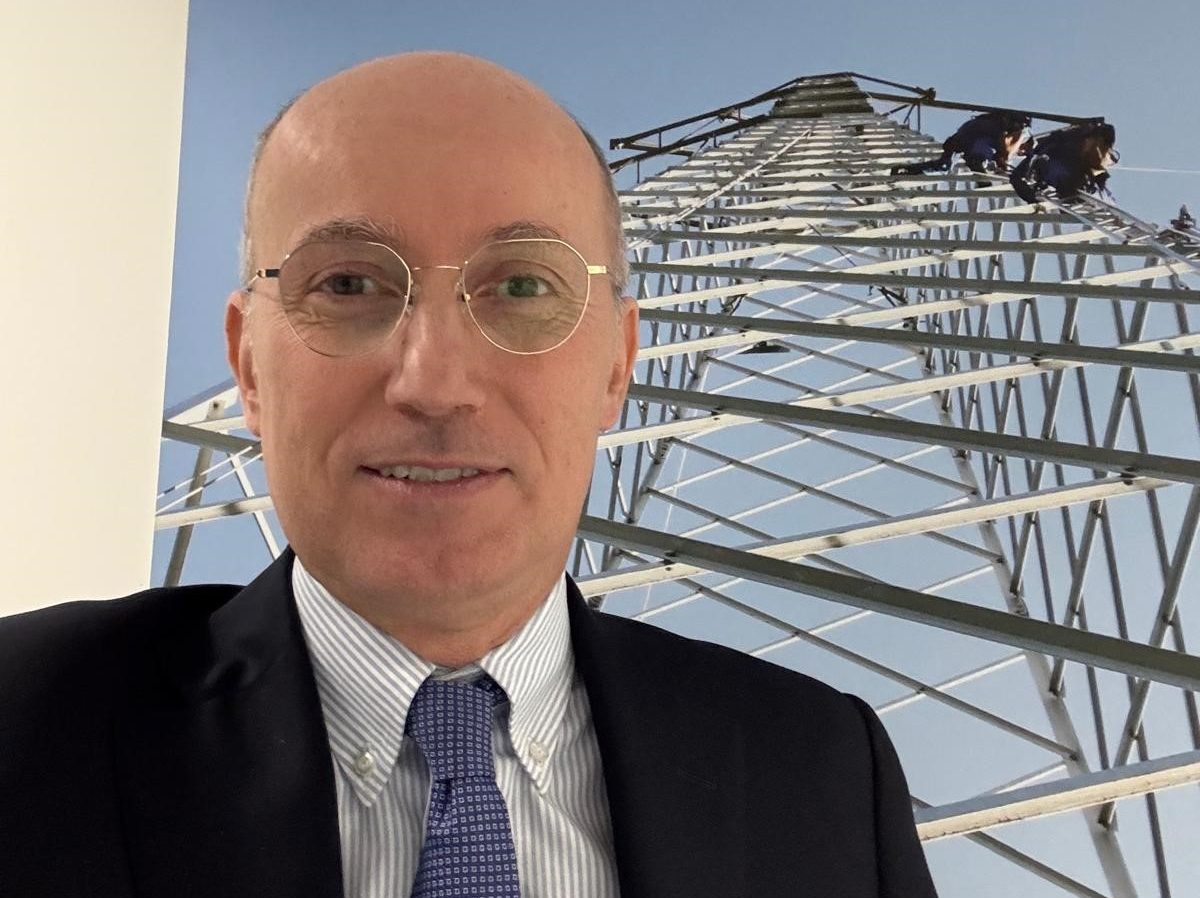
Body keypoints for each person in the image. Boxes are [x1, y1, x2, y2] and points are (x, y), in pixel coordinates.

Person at [0, 53, 938, 898]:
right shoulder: (25, 723)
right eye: (349, 284)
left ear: (618, 364)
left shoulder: (821, 776)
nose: (435, 383)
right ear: (248, 366)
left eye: (523, 286)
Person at [893, 110, 1030, 176]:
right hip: (968, 147)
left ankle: (909, 169)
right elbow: (1003, 152)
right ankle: (909, 170)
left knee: (943, 165)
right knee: (980, 155)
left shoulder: (986, 122)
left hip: (957, 142)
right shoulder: (995, 128)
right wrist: (1018, 138)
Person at [1010, 122, 1118, 204]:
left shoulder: (1096, 176)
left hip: (1073, 181)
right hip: (1060, 174)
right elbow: (1018, 176)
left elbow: (1107, 200)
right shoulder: (1061, 149)